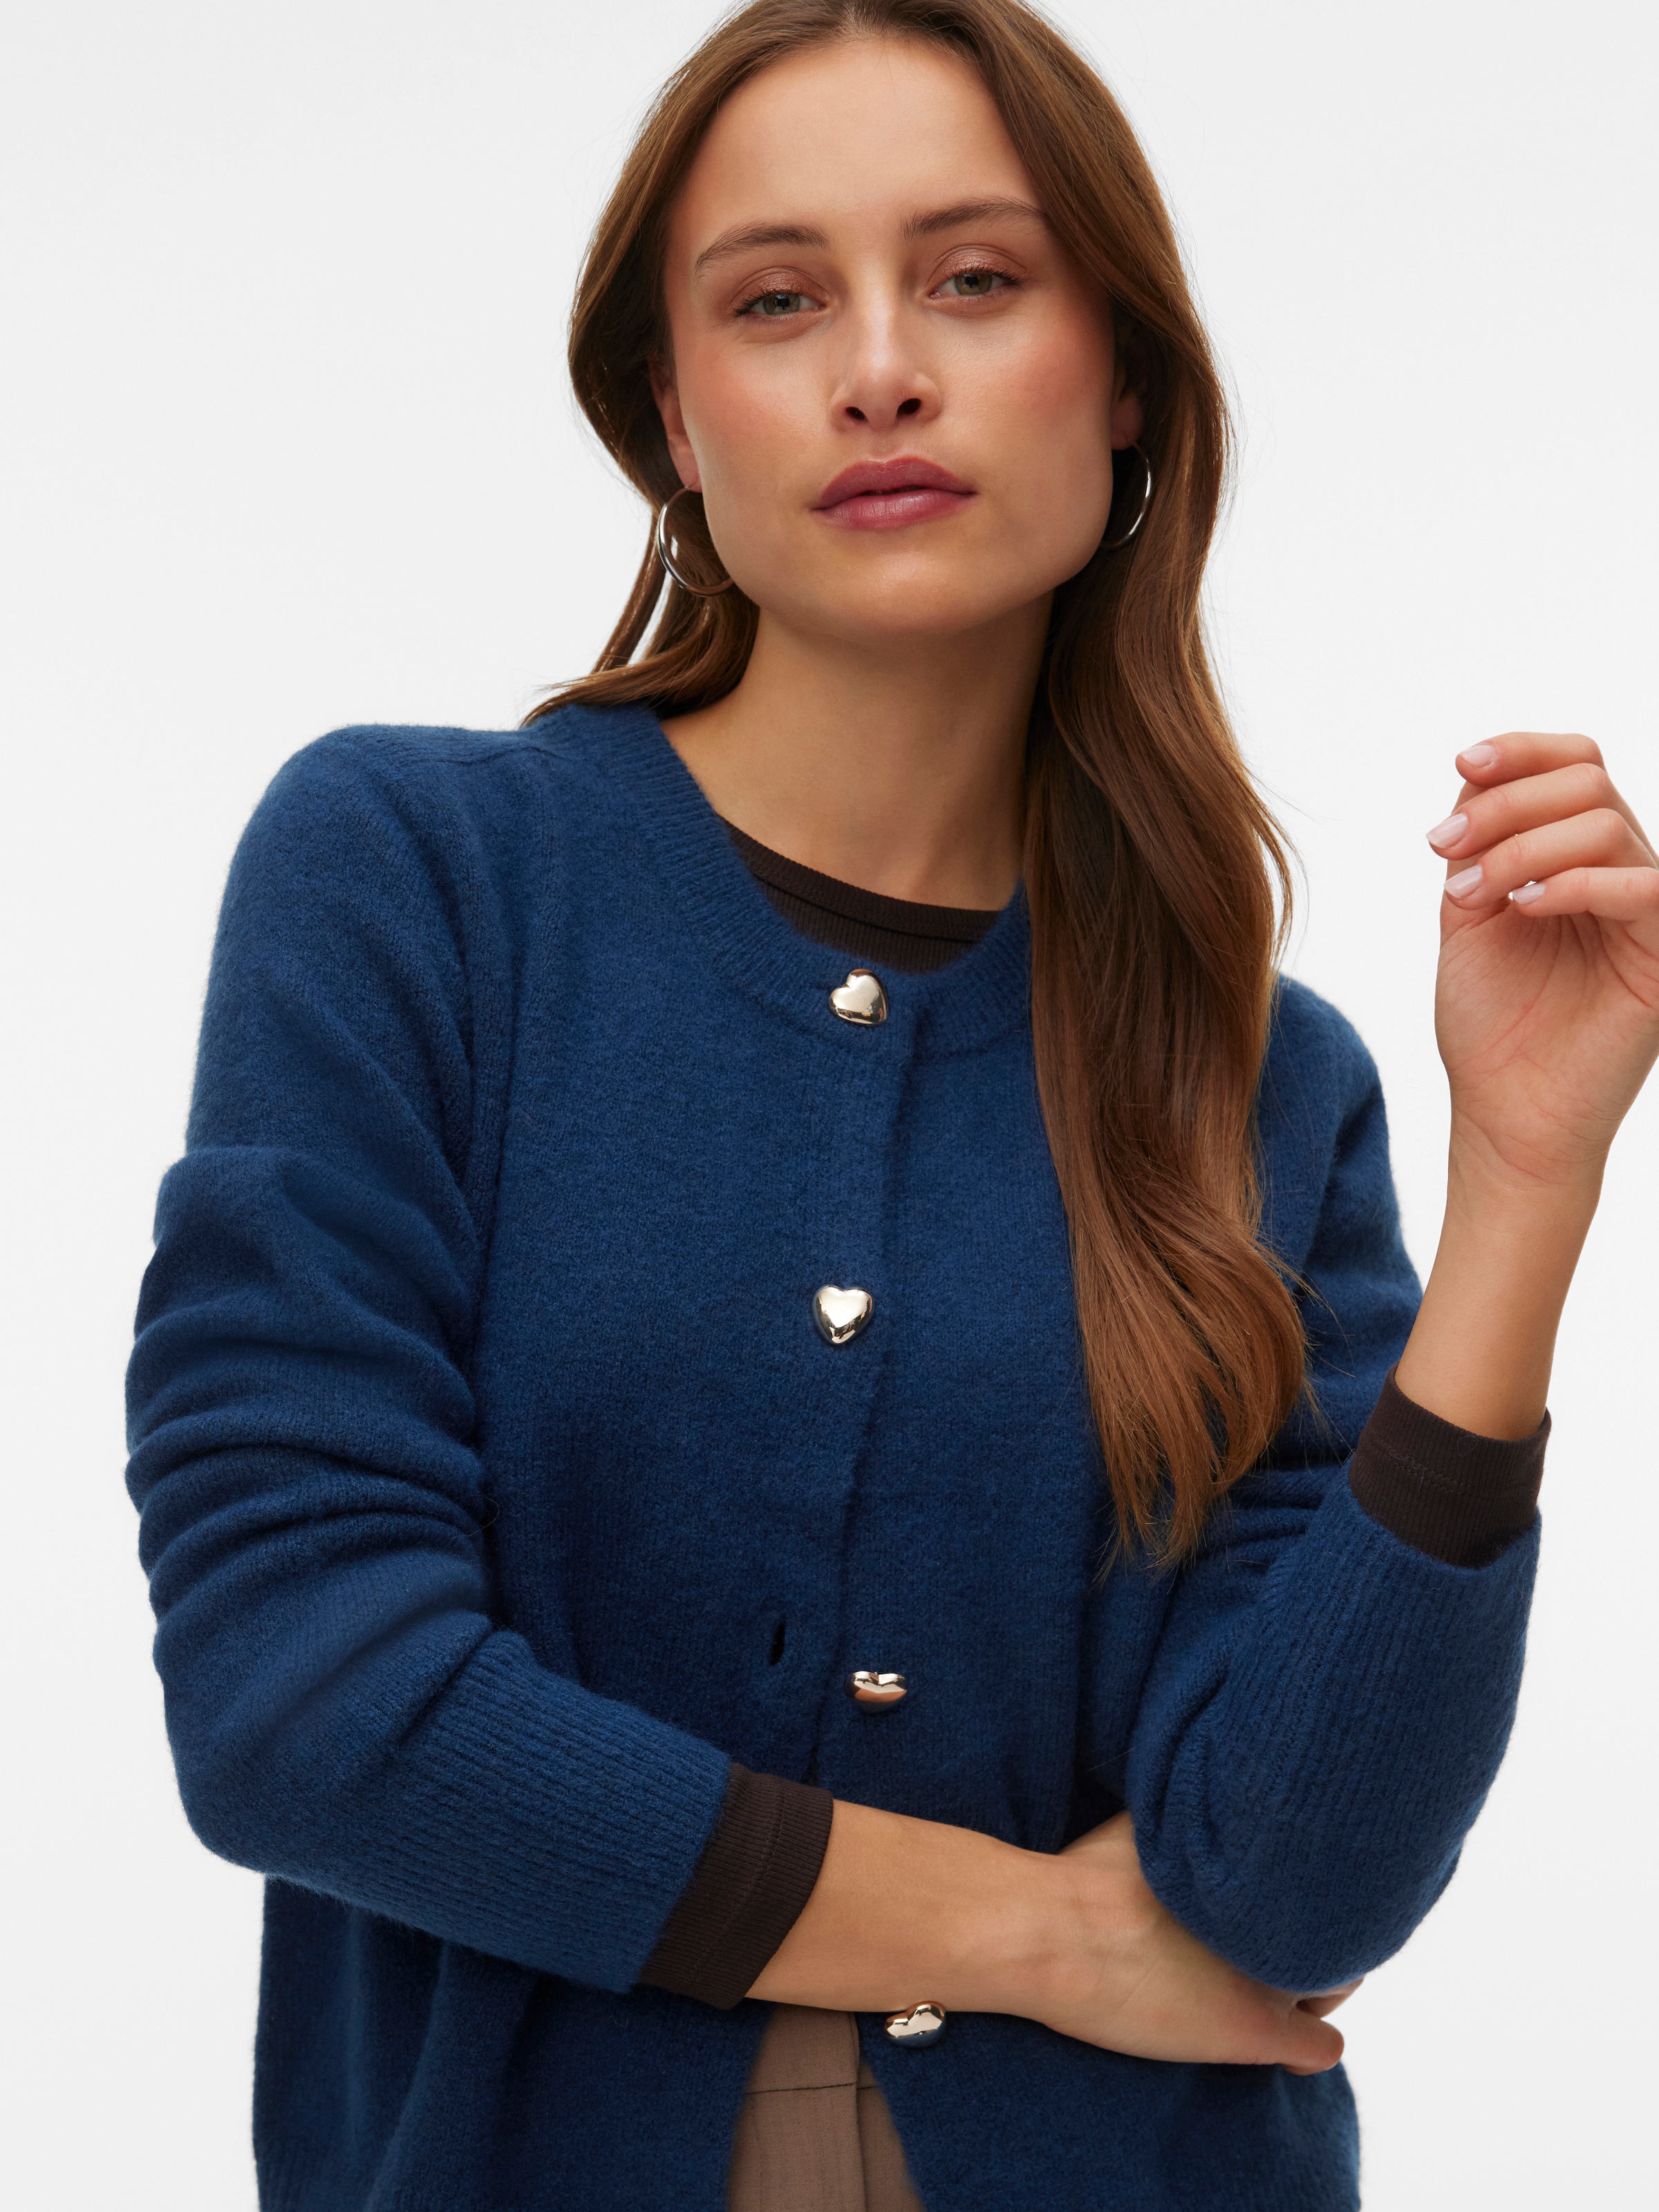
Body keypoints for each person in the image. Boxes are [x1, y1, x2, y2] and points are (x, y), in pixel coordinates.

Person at [124, 3, 1659, 2208]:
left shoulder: (1259, 1080)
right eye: (775, 301)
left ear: (1123, 377)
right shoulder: (418, 883)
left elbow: (1292, 1890)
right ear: (675, 417)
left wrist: (1525, 1187)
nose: (877, 370)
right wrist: (1041, 1935)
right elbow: (303, 1703)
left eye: (976, 278)